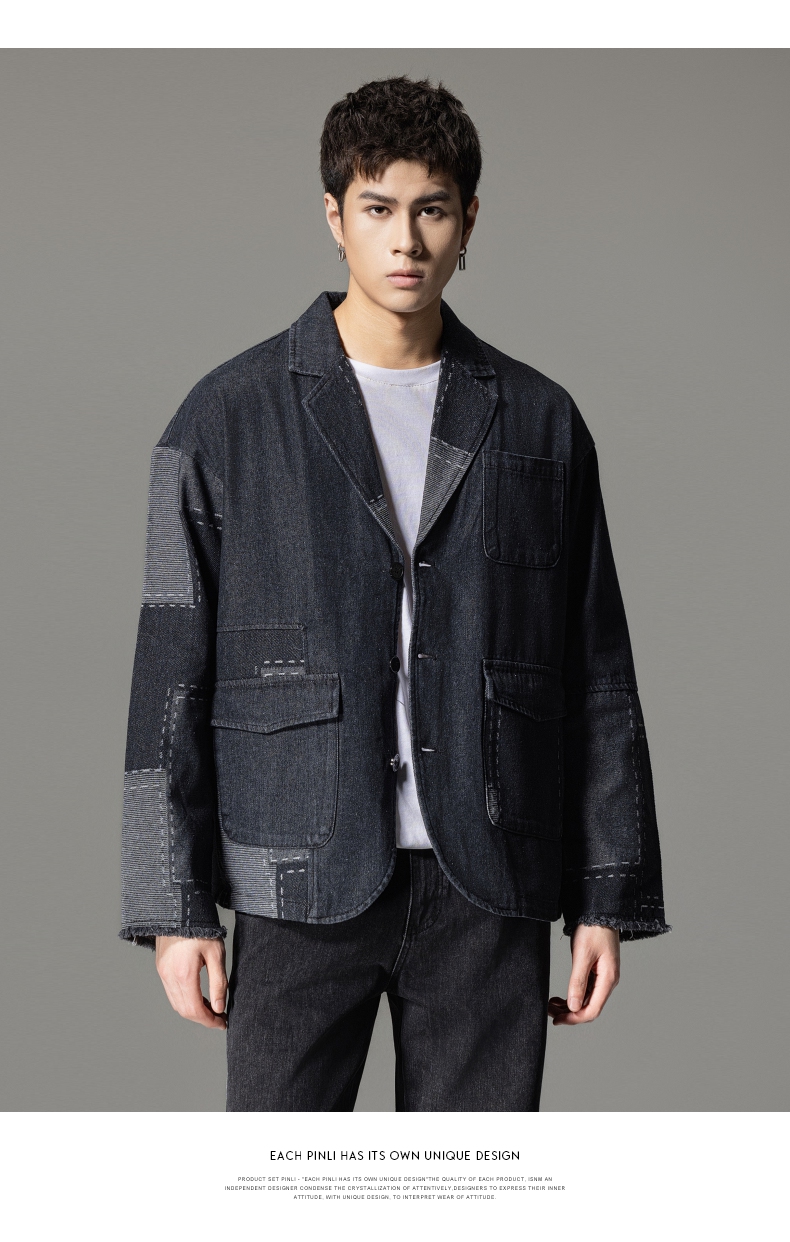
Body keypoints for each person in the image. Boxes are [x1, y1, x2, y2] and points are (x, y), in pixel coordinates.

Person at [120, 75, 668, 1112]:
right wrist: (174, 908)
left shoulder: (540, 422)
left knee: (472, 1186)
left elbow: (596, 670)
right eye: (378, 209)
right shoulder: (227, 416)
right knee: (280, 1183)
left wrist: (606, 893)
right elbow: (169, 676)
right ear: (334, 218)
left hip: (488, 878)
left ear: (470, 221)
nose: (406, 241)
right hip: (296, 877)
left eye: (432, 209)